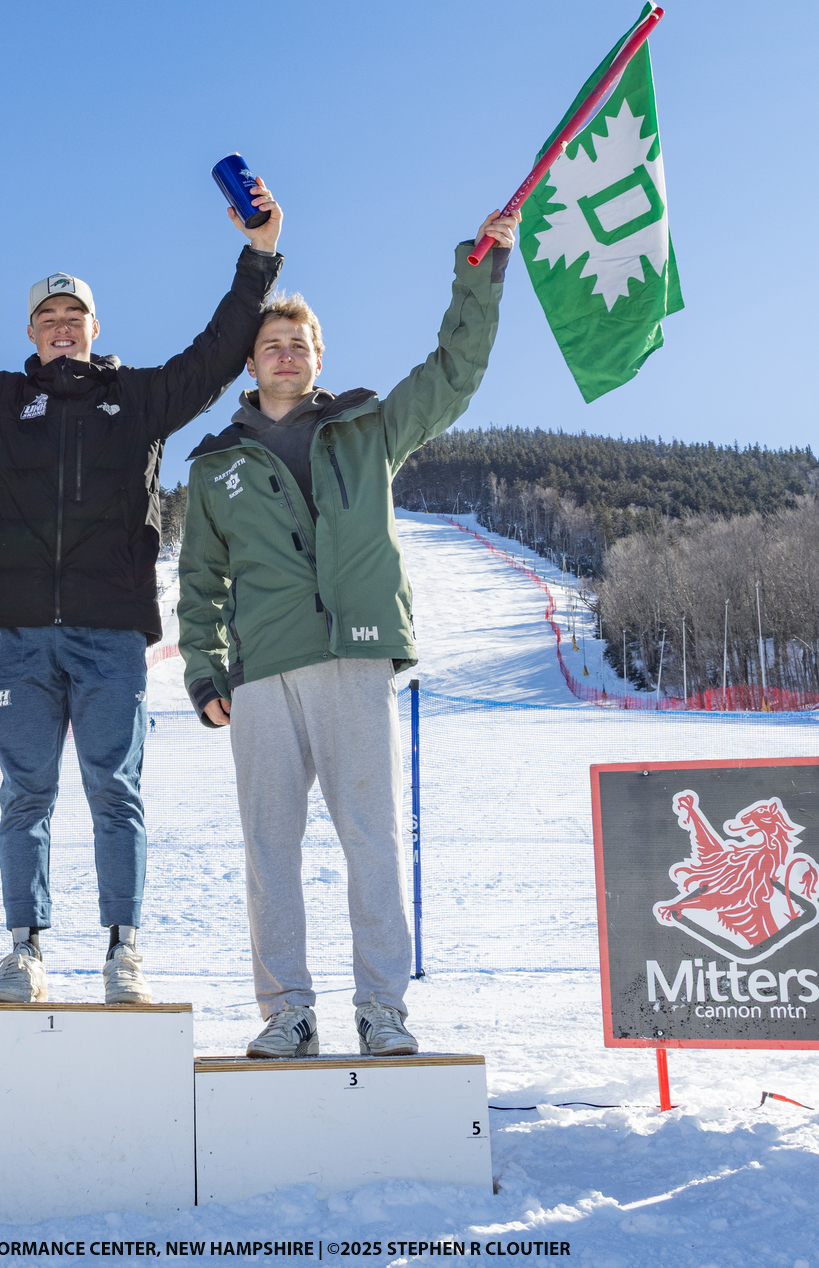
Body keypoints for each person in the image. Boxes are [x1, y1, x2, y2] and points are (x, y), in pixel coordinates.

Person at [0, 174, 284, 1004]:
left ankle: (124, 954)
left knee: (116, 791)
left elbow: (218, 352)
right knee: (26, 796)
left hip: (111, 636)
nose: (60, 327)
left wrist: (258, 256)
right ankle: (25, 952)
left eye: (73, 317)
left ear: (93, 329)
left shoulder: (139, 401)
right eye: (47, 318)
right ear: (30, 332)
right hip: (19, 639)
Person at [177, 208, 519, 1058]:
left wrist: (480, 271)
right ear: (250, 363)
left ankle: (382, 1009)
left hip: (352, 657)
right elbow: (200, 581)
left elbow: (453, 374)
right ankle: (286, 1012)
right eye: (271, 345)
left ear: (318, 358)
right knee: (269, 850)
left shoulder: (369, 429)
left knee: (371, 838)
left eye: (299, 345)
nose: (285, 355)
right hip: (261, 674)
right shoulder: (215, 466)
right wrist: (204, 671)